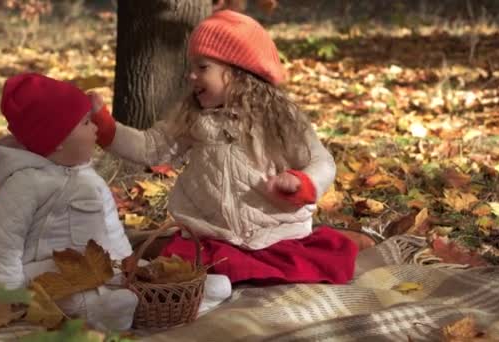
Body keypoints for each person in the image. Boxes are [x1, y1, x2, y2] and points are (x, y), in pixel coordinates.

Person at [92, 10, 358, 287]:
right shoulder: (192, 117)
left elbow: (321, 160)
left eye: (202, 67)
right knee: (176, 264)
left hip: (273, 234)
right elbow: (150, 148)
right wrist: (106, 128)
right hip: (214, 237)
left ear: (238, 71)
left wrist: (303, 183)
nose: (191, 76)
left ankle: (354, 241)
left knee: (316, 260)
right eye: (191, 68)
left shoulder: (280, 117)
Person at [0, 73, 138, 330]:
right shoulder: (26, 184)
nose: (96, 128)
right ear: (57, 140)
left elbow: (112, 228)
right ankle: (102, 313)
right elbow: (5, 240)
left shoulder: (91, 179)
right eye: (86, 123)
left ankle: (187, 293)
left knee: (140, 276)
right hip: (47, 272)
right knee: (71, 293)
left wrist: (129, 263)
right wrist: (8, 294)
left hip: (98, 266)